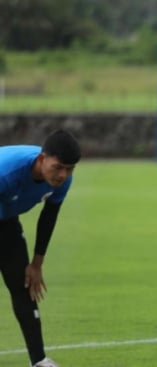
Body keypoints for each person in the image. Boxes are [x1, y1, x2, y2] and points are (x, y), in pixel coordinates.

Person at [0, 129, 81, 367]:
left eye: (69, 168)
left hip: (6, 221)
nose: (63, 175)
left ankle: (38, 360)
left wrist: (37, 263)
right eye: (58, 167)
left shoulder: (62, 181)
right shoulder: (8, 169)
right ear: (42, 158)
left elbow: (49, 216)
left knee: (24, 286)